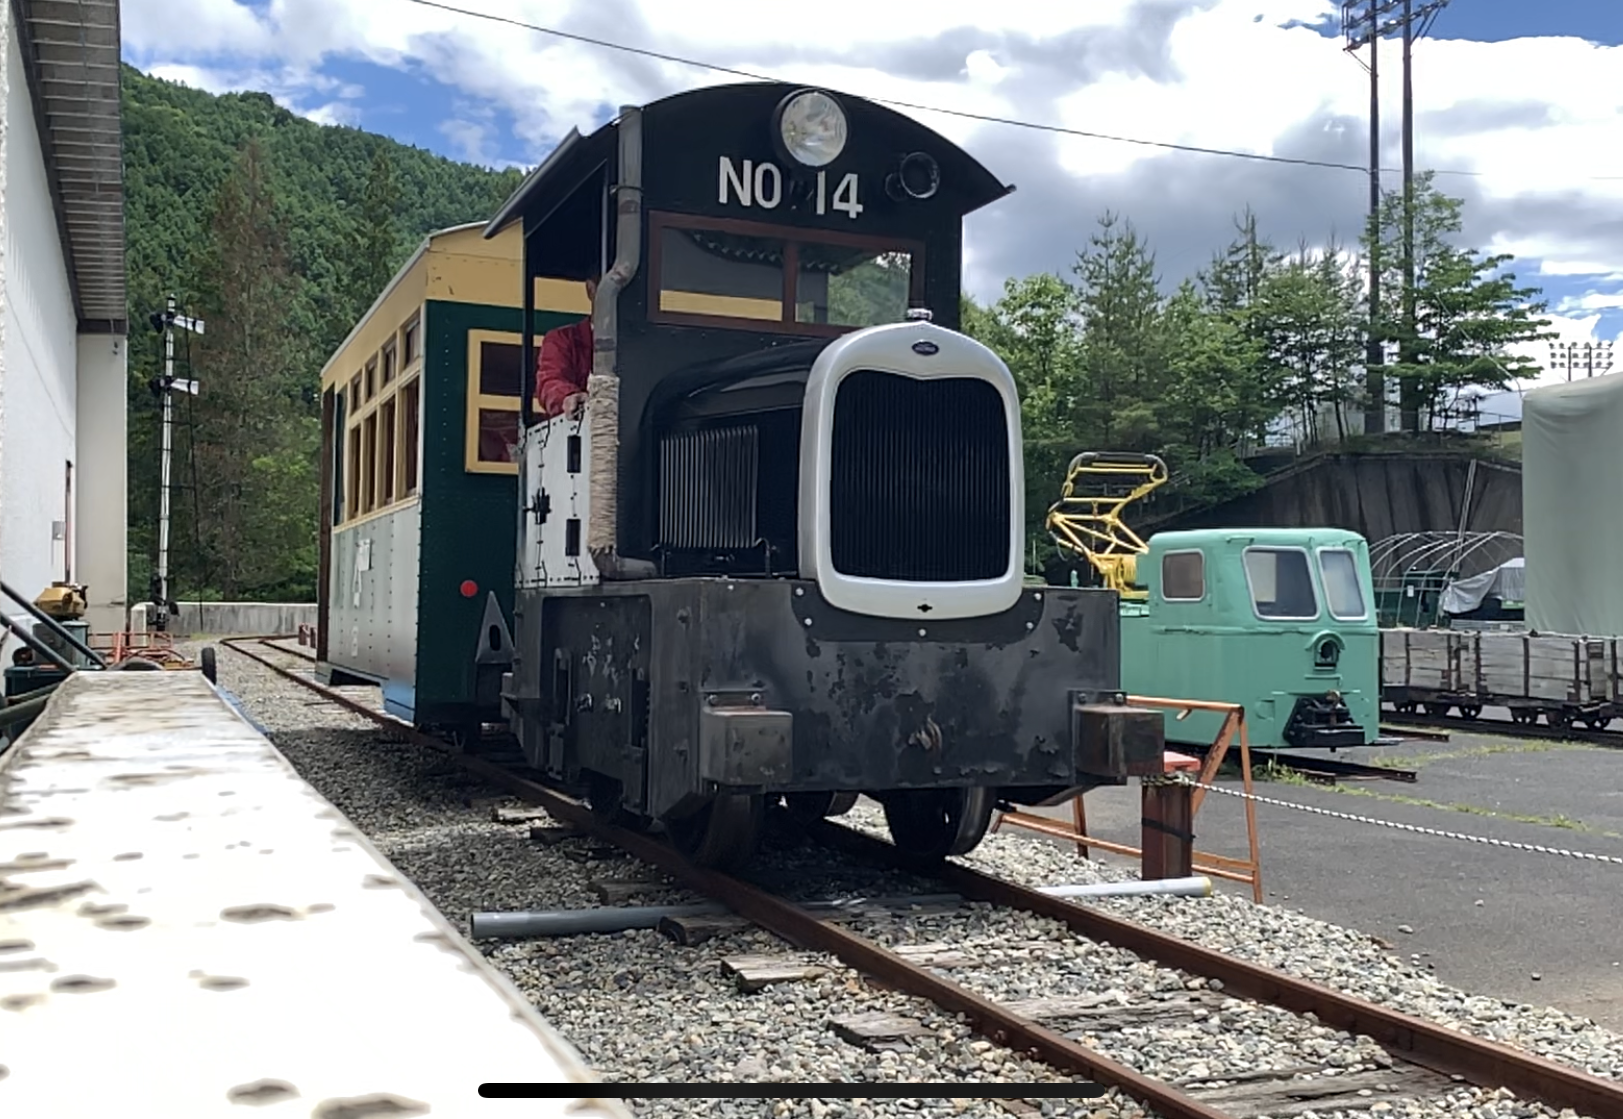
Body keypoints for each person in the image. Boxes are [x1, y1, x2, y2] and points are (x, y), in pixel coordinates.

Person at [534, 274, 599, 421]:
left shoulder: (640, 347)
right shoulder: (562, 339)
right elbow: (550, 381)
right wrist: (568, 397)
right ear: (591, 289)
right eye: (611, 290)